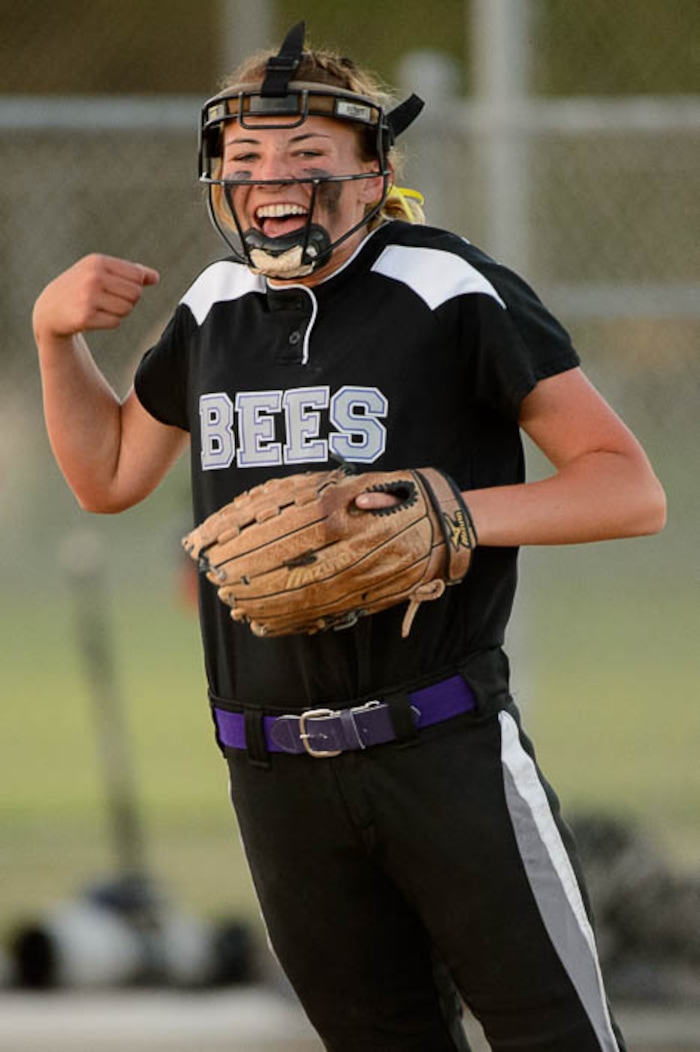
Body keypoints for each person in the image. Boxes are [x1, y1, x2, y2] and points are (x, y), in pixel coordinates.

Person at [33, 21, 666, 1052]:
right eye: (245, 158)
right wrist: (55, 334)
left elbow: (628, 489)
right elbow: (107, 475)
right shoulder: (216, 305)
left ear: (373, 174)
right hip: (271, 764)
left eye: (307, 154)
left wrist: (450, 511)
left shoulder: (447, 286)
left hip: (442, 744)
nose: (272, 177)